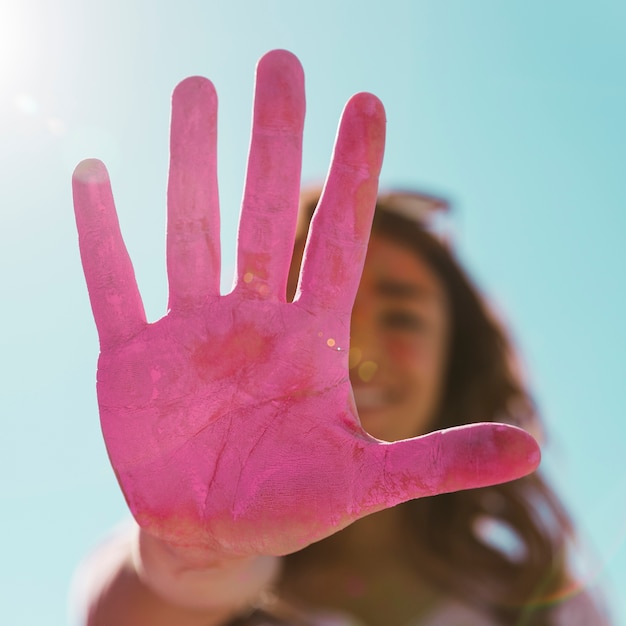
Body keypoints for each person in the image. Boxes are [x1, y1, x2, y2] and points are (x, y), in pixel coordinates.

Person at [71, 50, 610, 626]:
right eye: (341, 316)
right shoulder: (166, 577)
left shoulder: (543, 600)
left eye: (403, 318)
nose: (362, 353)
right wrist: (197, 555)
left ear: (456, 360)